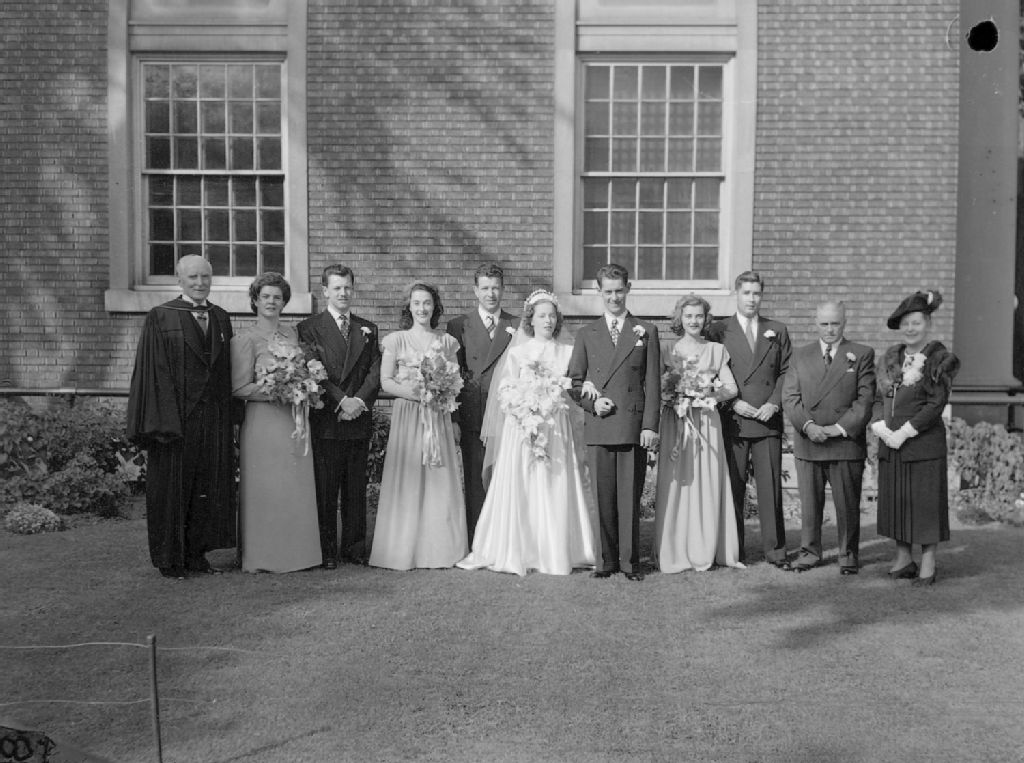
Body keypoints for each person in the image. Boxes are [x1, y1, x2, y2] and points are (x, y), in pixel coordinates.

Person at [457, 290, 596, 576]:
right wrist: (524, 405)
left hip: (556, 428)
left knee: (555, 482)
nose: (547, 321)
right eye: (541, 316)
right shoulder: (518, 353)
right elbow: (505, 390)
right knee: (523, 481)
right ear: (530, 320)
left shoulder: (567, 352)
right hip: (523, 427)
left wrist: (583, 387)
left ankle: (556, 549)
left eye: (552, 316)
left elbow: (575, 385)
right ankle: (520, 546)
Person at [126, 255, 235, 579]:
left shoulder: (221, 317)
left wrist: (230, 418)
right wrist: (163, 421)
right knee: (172, 488)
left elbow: (225, 372)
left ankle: (197, 556)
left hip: (212, 419)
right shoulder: (161, 316)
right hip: (175, 420)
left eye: (205, 277)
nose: (200, 283)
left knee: (205, 486)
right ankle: (170, 560)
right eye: (193, 277)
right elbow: (153, 373)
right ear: (179, 280)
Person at [568, 263, 660, 582]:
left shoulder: (646, 331)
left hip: (633, 426)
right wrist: (593, 404)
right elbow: (573, 382)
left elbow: (653, 384)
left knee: (629, 497)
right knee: (603, 496)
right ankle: (606, 561)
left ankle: (630, 563)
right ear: (599, 292)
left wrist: (650, 426)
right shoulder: (586, 334)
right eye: (608, 292)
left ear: (628, 289)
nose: (614, 297)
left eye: (619, 290)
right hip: (600, 425)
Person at [369, 283, 468, 570]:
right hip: (408, 416)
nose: (422, 309)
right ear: (409, 307)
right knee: (408, 480)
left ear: (434, 307)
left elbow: (456, 382)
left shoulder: (447, 342)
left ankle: (439, 550)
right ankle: (402, 551)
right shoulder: (396, 340)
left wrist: (440, 396)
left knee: (438, 479)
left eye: (427, 303)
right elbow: (386, 381)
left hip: (437, 417)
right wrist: (418, 393)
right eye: (416, 303)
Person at [231, 273, 322, 573]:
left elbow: (302, 371)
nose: (271, 302)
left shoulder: (292, 335)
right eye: (265, 296)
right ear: (255, 300)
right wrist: (278, 389)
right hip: (263, 423)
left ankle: (298, 555)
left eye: (277, 297)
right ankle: (264, 557)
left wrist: (303, 384)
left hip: (292, 420)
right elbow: (239, 387)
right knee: (266, 487)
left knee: (293, 485)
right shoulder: (245, 339)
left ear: (284, 302)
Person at [871, 290, 959, 586]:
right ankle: (904, 558)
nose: (911, 328)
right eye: (906, 323)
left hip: (923, 445)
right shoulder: (890, 357)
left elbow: (936, 404)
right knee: (897, 502)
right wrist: (880, 426)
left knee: (925, 504)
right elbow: (877, 397)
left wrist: (906, 431)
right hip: (891, 445)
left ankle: (929, 561)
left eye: (916, 322)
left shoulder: (940, 359)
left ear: (928, 324)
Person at [782, 302, 876, 575]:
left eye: (835, 323)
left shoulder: (861, 354)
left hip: (845, 442)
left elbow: (865, 399)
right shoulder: (800, 355)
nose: (830, 329)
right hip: (809, 441)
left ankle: (848, 556)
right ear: (816, 323)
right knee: (810, 506)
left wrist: (838, 428)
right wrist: (808, 426)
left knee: (847, 505)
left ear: (844, 323)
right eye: (824, 323)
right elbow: (790, 397)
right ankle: (809, 553)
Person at [298, 265, 381, 569]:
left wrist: (358, 401)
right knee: (326, 488)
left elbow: (374, 371)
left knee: (355, 488)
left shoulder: (367, 328)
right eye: (337, 288)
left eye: (347, 287)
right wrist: (342, 400)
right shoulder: (309, 327)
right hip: (328, 418)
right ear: (325, 291)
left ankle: (355, 549)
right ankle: (327, 550)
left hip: (358, 416)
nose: (343, 293)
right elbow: (312, 368)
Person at [707, 271, 792, 568]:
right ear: (736, 293)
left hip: (767, 420)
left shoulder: (777, 330)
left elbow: (787, 372)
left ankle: (776, 552)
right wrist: (732, 403)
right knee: (734, 486)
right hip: (734, 419)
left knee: (770, 489)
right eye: (746, 293)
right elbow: (710, 373)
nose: (752, 299)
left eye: (757, 293)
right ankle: (733, 551)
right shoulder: (718, 330)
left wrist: (774, 403)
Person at [653, 295, 743, 572]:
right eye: (689, 316)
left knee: (706, 480)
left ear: (706, 319)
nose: (694, 321)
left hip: (705, 422)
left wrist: (707, 395)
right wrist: (672, 395)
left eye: (699, 316)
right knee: (676, 482)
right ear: (679, 318)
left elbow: (731, 388)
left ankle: (705, 547)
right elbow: (656, 387)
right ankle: (674, 548)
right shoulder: (667, 349)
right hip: (677, 421)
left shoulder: (716, 350)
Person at [445, 262, 517, 542]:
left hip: (507, 415)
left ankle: (503, 540)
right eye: (485, 288)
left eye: (495, 288)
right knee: (476, 480)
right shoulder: (458, 325)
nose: (491, 294)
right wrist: (454, 419)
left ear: (503, 289)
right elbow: (452, 375)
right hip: (473, 415)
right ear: (475, 290)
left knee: (505, 479)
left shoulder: (516, 324)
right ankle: (477, 541)